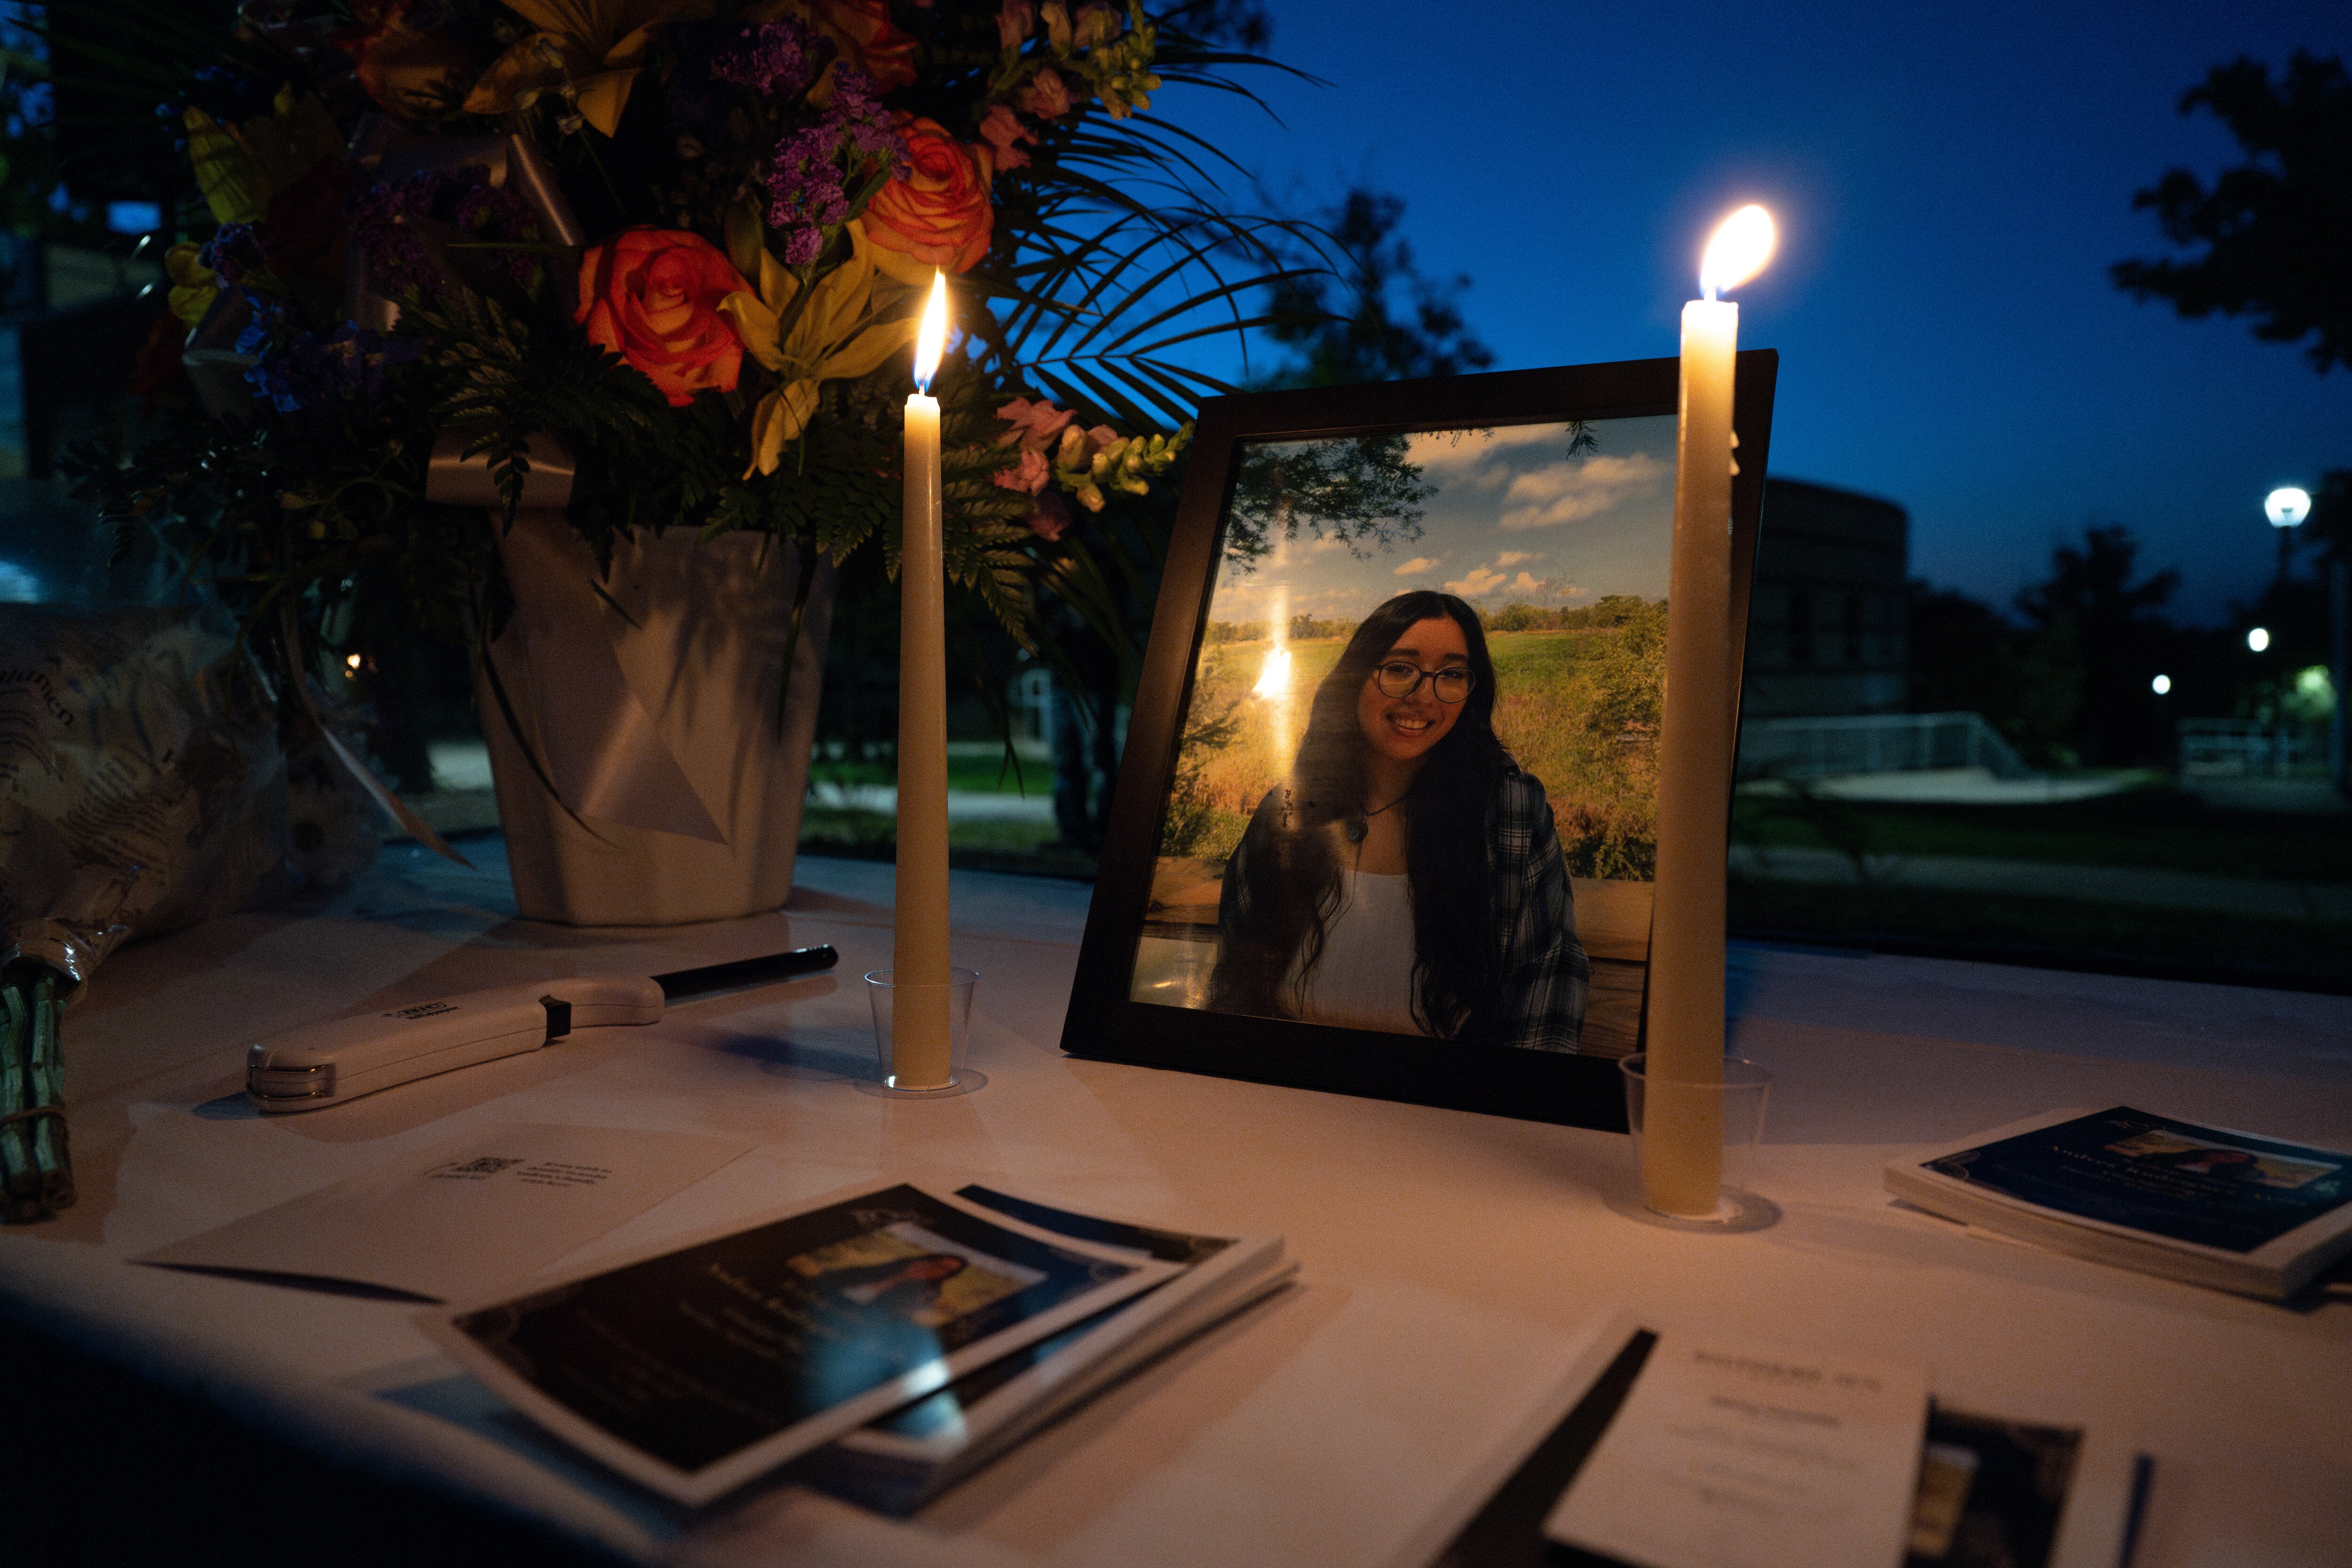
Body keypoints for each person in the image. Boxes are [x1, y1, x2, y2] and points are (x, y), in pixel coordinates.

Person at [1209, 591, 1588, 1050]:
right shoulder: (1287, 808)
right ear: (1353, 680)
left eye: (1450, 675)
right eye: (1399, 669)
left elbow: (1547, 983)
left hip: (1439, 1108)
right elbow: (1235, 972)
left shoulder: (1510, 813)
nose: (1422, 697)